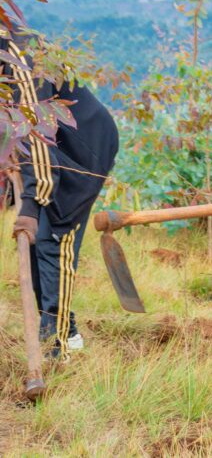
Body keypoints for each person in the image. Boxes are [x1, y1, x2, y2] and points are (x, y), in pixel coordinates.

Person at [5, 33, 120, 360]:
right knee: (32, 241)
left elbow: (35, 130)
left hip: (83, 147)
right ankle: (65, 331)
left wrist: (30, 203)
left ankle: (55, 348)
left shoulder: (18, 54)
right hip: (51, 146)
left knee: (55, 234)